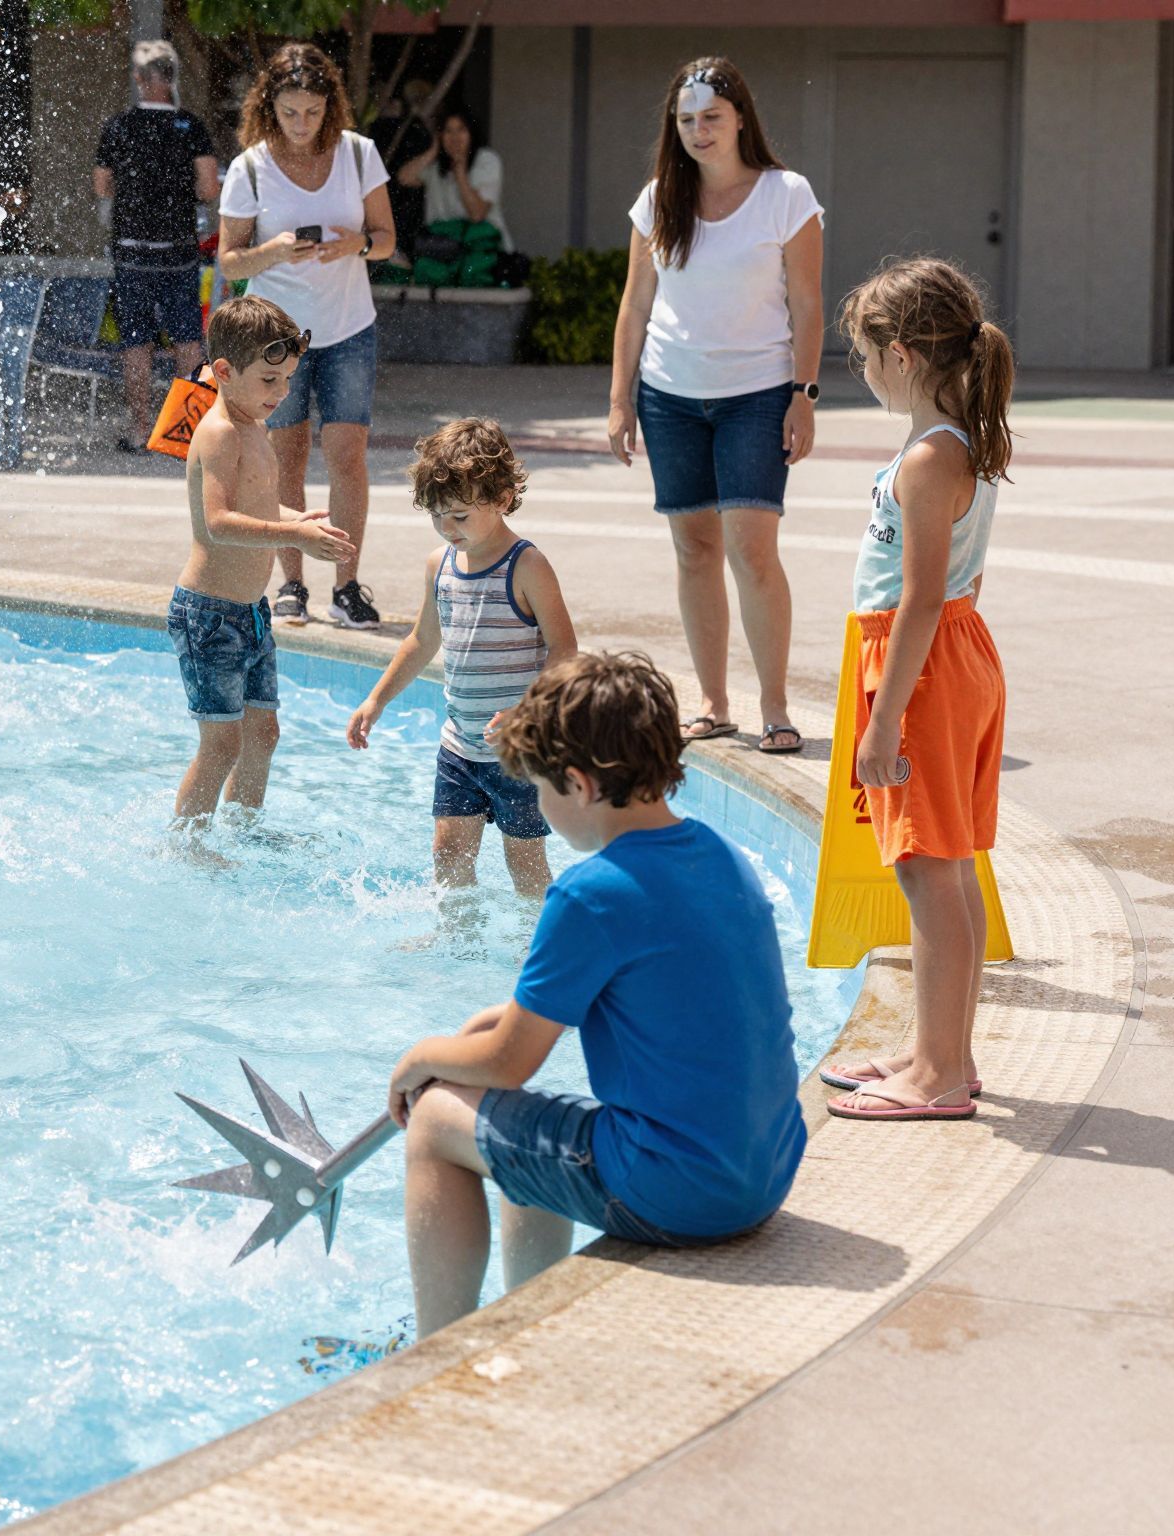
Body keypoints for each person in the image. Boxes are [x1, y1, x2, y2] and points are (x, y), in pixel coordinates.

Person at [385, 651, 807, 1337]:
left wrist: (419, 1059)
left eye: (541, 792)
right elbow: (661, 998)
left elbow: (507, 1064)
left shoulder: (591, 893)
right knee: (527, 1129)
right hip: (762, 1170)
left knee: (437, 1122)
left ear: (578, 785)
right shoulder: (721, 854)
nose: (541, 809)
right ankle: (529, 1315)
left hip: (684, 1194)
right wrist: (500, 1023)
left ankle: (434, 1345)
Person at [819, 258, 1012, 1123]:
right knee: (947, 863)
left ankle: (937, 1077)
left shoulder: (933, 457)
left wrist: (884, 717)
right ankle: (947, 1053)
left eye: (862, 356)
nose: (859, 373)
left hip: (919, 663)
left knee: (928, 870)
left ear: (900, 354)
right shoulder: (951, 440)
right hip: (946, 653)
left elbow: (919, 596)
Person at [605, 58, 822, 755]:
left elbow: (809, 303)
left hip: (757, 396)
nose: (700, 131)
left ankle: (776, 706)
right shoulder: (657, 200)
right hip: (669, 397)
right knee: (693, 548)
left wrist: (804, 394)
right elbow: (635, 307)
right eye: (687, 120)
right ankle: (713, 702)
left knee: (751, 550)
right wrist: (619, 401)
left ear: (739, 120)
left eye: (712, 118)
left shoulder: (786, 196)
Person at [347, 419, 574, 897]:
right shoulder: (441, 564)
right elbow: (421, 640)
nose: (447, 528)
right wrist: (376, 701)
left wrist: (527, 711)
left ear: (503, 499)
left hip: (519, 751)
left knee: (525, 866)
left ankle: (537, 948)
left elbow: (564, 649)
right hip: (460, 747)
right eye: (437, 516)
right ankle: (457, 947)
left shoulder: (527, 566)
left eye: (460, 516)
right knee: (448, 854)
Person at [218, 42, 397, 631]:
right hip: (276, 338)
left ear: (330, 107)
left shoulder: (358, 154)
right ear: (271, 107)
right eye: (290, 113)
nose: (301, 125)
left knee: (347, 456)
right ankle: (291, 582)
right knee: (284, 459)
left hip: (349, 329)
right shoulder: (249, 167)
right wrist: (270, 252)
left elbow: (388, 240)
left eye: (313, 113)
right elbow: (230, 263)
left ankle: (346, 586)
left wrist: (358, 246)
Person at [169, 295, 355, 827]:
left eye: (289, 379)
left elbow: (257, 504)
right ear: (225, 371)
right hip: (208, 614)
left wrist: (299, 519)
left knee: (263, 735)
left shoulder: (256, 426)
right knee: (221, 744)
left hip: (250, 612)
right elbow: (219, 522)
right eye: (270, 380)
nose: (283, 392)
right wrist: (290, 533)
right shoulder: (220, 433)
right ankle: (187, 846)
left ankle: (241, 833)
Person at [94, 40, 220, 454]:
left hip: (132, 250)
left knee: (136, 342)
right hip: (179, 250)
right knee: (187, 340)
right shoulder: (191, 127)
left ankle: (140, 430)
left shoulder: (118, 127)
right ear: (172, 77)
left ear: (138, 78)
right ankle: (187, 434)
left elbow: (101, 185)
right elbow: (208, 187)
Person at [397, 108, 511, 252]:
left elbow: (477, 214)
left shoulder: (487, 160)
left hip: (482, 253)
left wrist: (460, 174)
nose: (454, 137)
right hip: (442, 250)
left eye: (461, 130)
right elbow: (404, 178)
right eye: (448, 131)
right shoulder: (435, 166)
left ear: (471, 133)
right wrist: (434, 150)